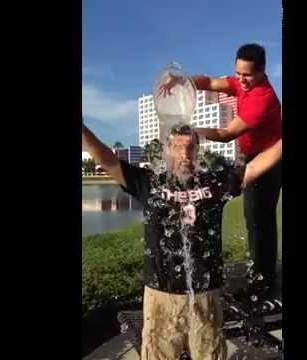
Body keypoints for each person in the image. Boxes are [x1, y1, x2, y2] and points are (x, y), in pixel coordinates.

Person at [82, 121, 280, 360]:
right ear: (167, 150)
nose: (184, 154)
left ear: (197, 152)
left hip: (206, 294)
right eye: (177, 147)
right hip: (161, 295)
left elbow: (255, 166)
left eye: (190, 148)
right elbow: (105, 157)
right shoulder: (148, 182)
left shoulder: (214, 183)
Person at [159, 43, 282, 297]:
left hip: (269, 159)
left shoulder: (263, 99)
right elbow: (209, 82)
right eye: (237, 73)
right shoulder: (241, 82)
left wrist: (190, 133)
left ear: (261, 72)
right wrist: (181, 81)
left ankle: (264, 282)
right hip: (249, 155)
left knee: (260, 220)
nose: (240, 79)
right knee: (254, 219)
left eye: (246, 75)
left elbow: (226, 134)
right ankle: (260, 273)